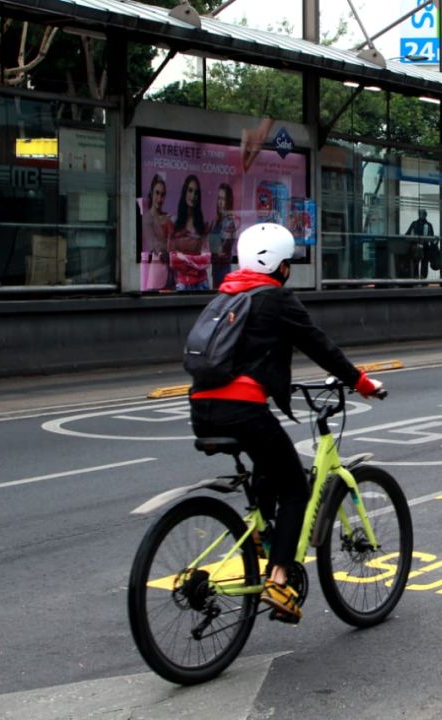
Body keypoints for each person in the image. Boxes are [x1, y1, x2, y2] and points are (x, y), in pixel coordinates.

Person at [189, 222, 384, 623]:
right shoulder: (276, 299)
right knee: (295, 487)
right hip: (242, 409)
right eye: (288, 264)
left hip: (201, 407)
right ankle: (279, 579)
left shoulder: (227, 296)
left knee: (268, 467)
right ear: (280, 265)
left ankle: (263, 534)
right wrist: (361, 383)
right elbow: (318, 345)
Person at [169, 174, 212, 291]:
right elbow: (173, 260)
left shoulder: (203, 226)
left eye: (196, 192)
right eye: (190, 190)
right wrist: (195, 261)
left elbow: (206, 259)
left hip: (202, 283)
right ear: (185, 192)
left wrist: (183, 258)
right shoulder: (175, 224)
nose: (193, 196)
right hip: (181, 283)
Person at [140, 174, 173, 291]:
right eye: (157, 193)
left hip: (171, 272)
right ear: (152, 193)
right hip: (155, 272)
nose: (159, 198)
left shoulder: (167, 217)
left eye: (163, 194)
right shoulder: (147, 218)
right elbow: (152, 243)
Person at [209, 183, 239, 289]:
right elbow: (212, 247)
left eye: (223, 199)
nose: (220, 203)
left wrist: (213, 248)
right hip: (215, 270)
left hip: (223, 272)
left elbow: (221, 251)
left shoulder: (229, 224)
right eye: (219, 198)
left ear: (228, 202)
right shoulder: (215, 222)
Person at [405, 209, 435, 279]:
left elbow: (432, 237)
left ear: (425, 215)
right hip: (416, 246)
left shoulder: (428, 225)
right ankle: (417, 277)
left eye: (422, 214)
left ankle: (422, 278)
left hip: (425, 247)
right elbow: (408, 234)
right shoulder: (414, 224)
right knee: (416, 263)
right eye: (420, 214)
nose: (421, 215)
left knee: (424, 263)